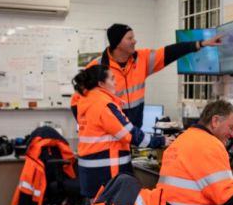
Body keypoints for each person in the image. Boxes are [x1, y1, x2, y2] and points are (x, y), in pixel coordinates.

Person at [71, 23, 223, 127]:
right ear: (117, 43)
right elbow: (75, 102)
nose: (134, 41)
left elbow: (170, 52)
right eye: (129, 38)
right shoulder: (97, 67)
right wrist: (90, 125)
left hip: (133, 134)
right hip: (109, 137)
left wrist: (201, 43)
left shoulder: (141, 59)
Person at [73, 64, 173, 200]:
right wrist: (161, 141)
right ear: (101, 83)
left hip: (91, 173)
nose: (116, 82)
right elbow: (130, 134)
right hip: (107, 174)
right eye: (112, 79)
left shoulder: (86, 102)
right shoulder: (103, 105)